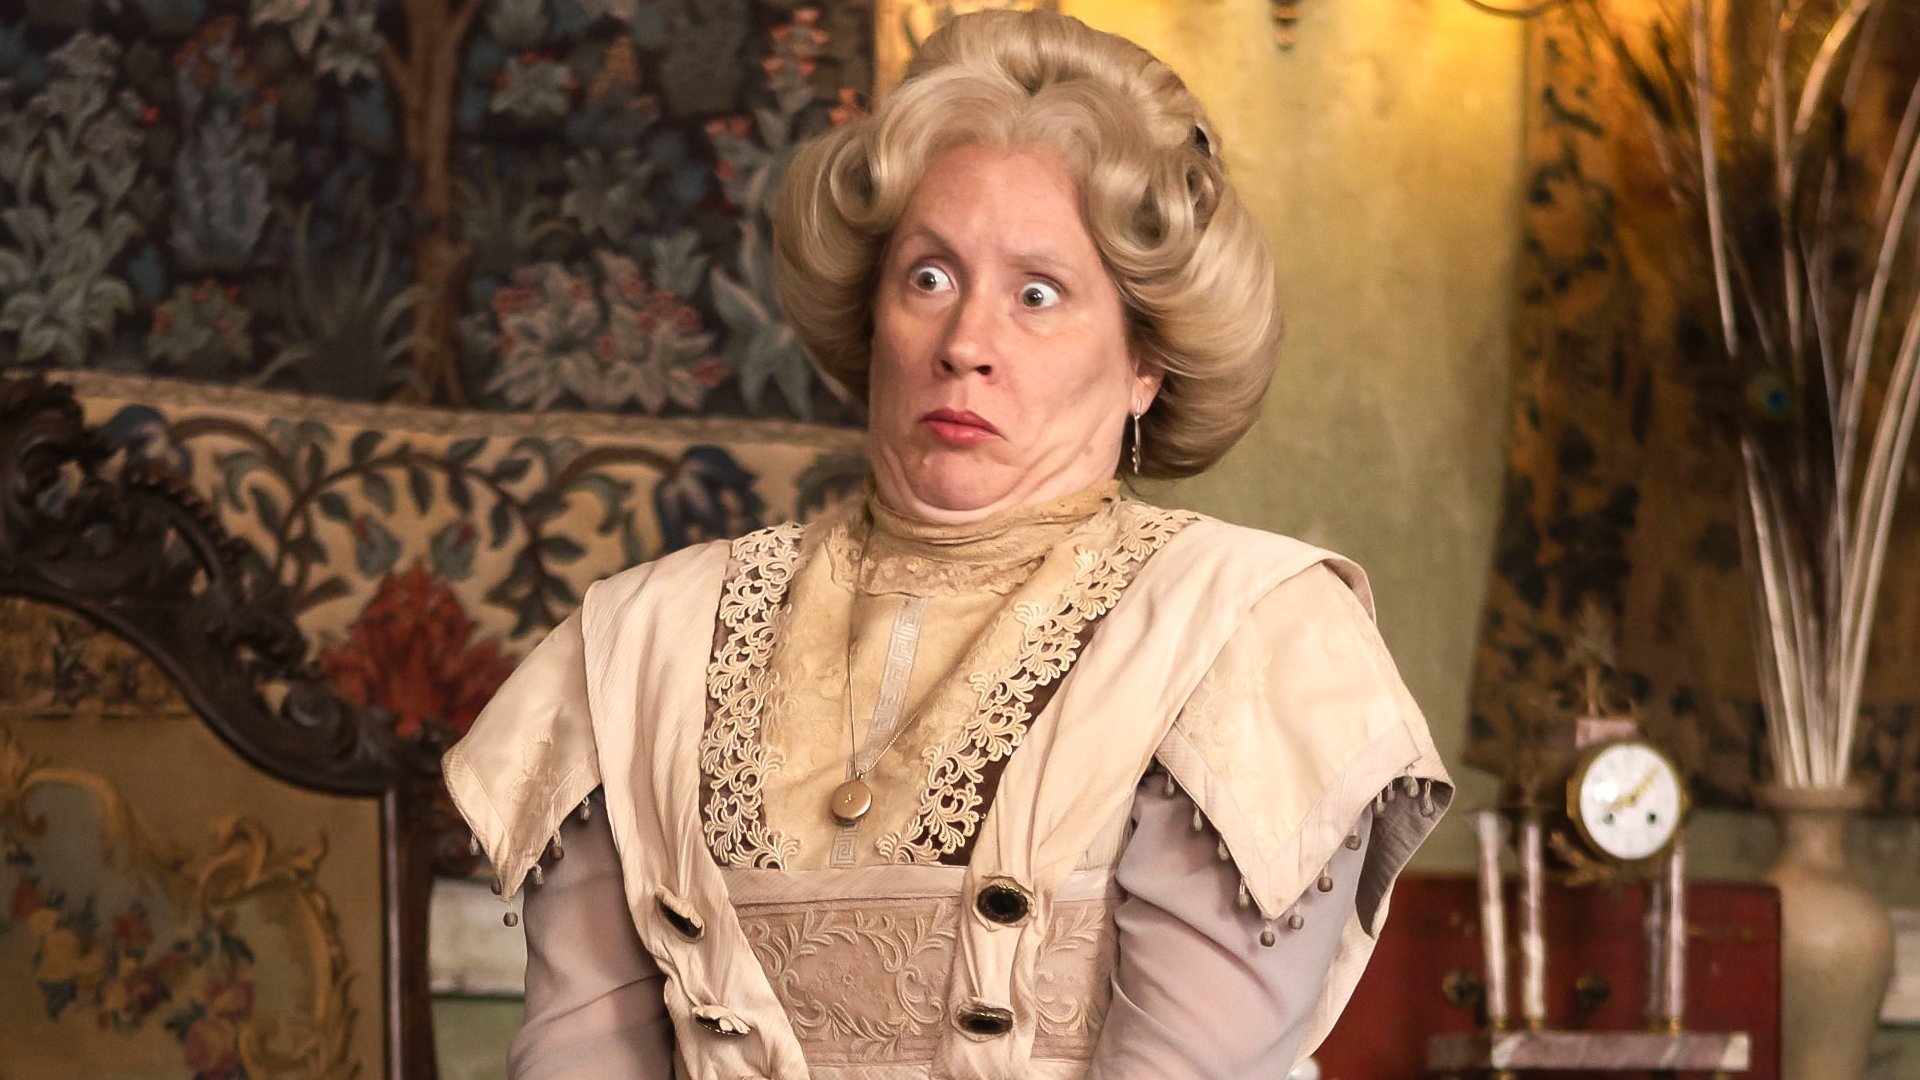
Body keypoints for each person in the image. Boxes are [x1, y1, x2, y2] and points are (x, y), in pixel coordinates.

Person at [444, 10, 1451, 1079]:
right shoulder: (645, 641)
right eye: (929, 278)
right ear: (871, 315)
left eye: (1038, 294)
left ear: (1144, 362)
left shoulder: (1249, 632)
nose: (966, 343)